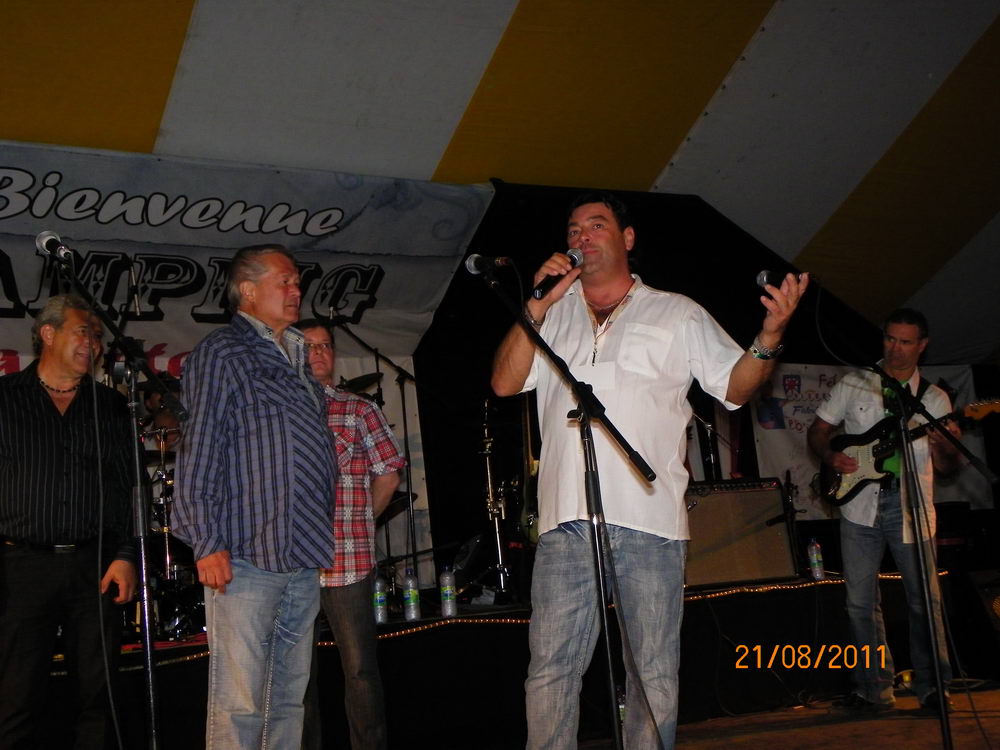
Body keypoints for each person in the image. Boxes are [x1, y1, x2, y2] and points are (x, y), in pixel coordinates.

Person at [491, 192, 808, 749]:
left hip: (650, 525)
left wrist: (770, 337)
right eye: (573, 229)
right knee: (550, 671)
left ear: (628, 238)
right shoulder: (551, 315)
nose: (582, 237)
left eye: (596, 225)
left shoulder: (676, 312)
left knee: (652, 675)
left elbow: (735, 388)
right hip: (566, 522)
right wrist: (535, 306)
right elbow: (504, 383)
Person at [173, 245, 337, 749]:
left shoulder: (297, 354)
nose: (296, 290)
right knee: (241, 701)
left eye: (297, 282)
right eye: (284, 281)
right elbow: (200, 443)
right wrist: (205, 540)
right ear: (247, 290)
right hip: (245, 554)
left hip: (301, 552)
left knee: (286, 699)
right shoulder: (224, 351)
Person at [0, 294, 137, 749]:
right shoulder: (5, 398)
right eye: (83, 331)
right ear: (48, 333)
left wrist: (124, 556)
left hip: (94, 565)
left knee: (99, 696)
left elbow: (129, 488)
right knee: (16, 696)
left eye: (98, 336)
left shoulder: (110, 407)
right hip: (20, 566)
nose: (93, 343)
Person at [807, 308, 960, 713]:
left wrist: (945, 445)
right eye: (890, 338)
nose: (895, 348)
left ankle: (934, 688)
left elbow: (948, 468)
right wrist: (830, 455)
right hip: (859, 506)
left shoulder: (934, 398)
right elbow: (819, 430)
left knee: (923, 600)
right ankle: (873, 690)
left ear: (922, 345)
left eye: (905, 342)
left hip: (911, 507)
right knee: (859, 603)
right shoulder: (856, 382)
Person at [298, 320, 404, 750]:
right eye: (310, 346)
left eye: (326, 346)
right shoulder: (278, 411)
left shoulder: (358, 410)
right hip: (294, 564)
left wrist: (362, 518)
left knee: (360, 671)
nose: (320, 353)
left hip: (348, 558)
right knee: (297, 675)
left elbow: (389, 473)